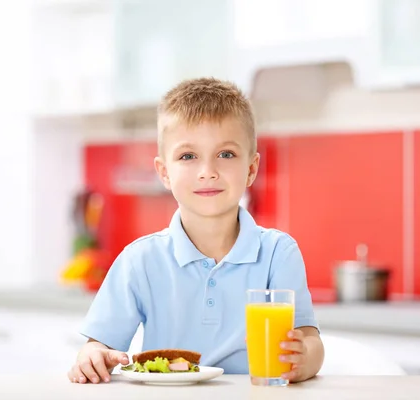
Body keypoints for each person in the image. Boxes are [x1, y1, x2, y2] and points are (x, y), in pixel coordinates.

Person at [67, 77, 324, 384]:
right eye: (188, 156)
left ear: (252, 169)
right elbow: (99, 344)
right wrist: (92, 355)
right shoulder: (141, 259)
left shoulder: (277, 254)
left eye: (226, 154)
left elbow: (311, 341)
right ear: (164, 172)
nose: (208, 172)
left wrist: (304, 360)